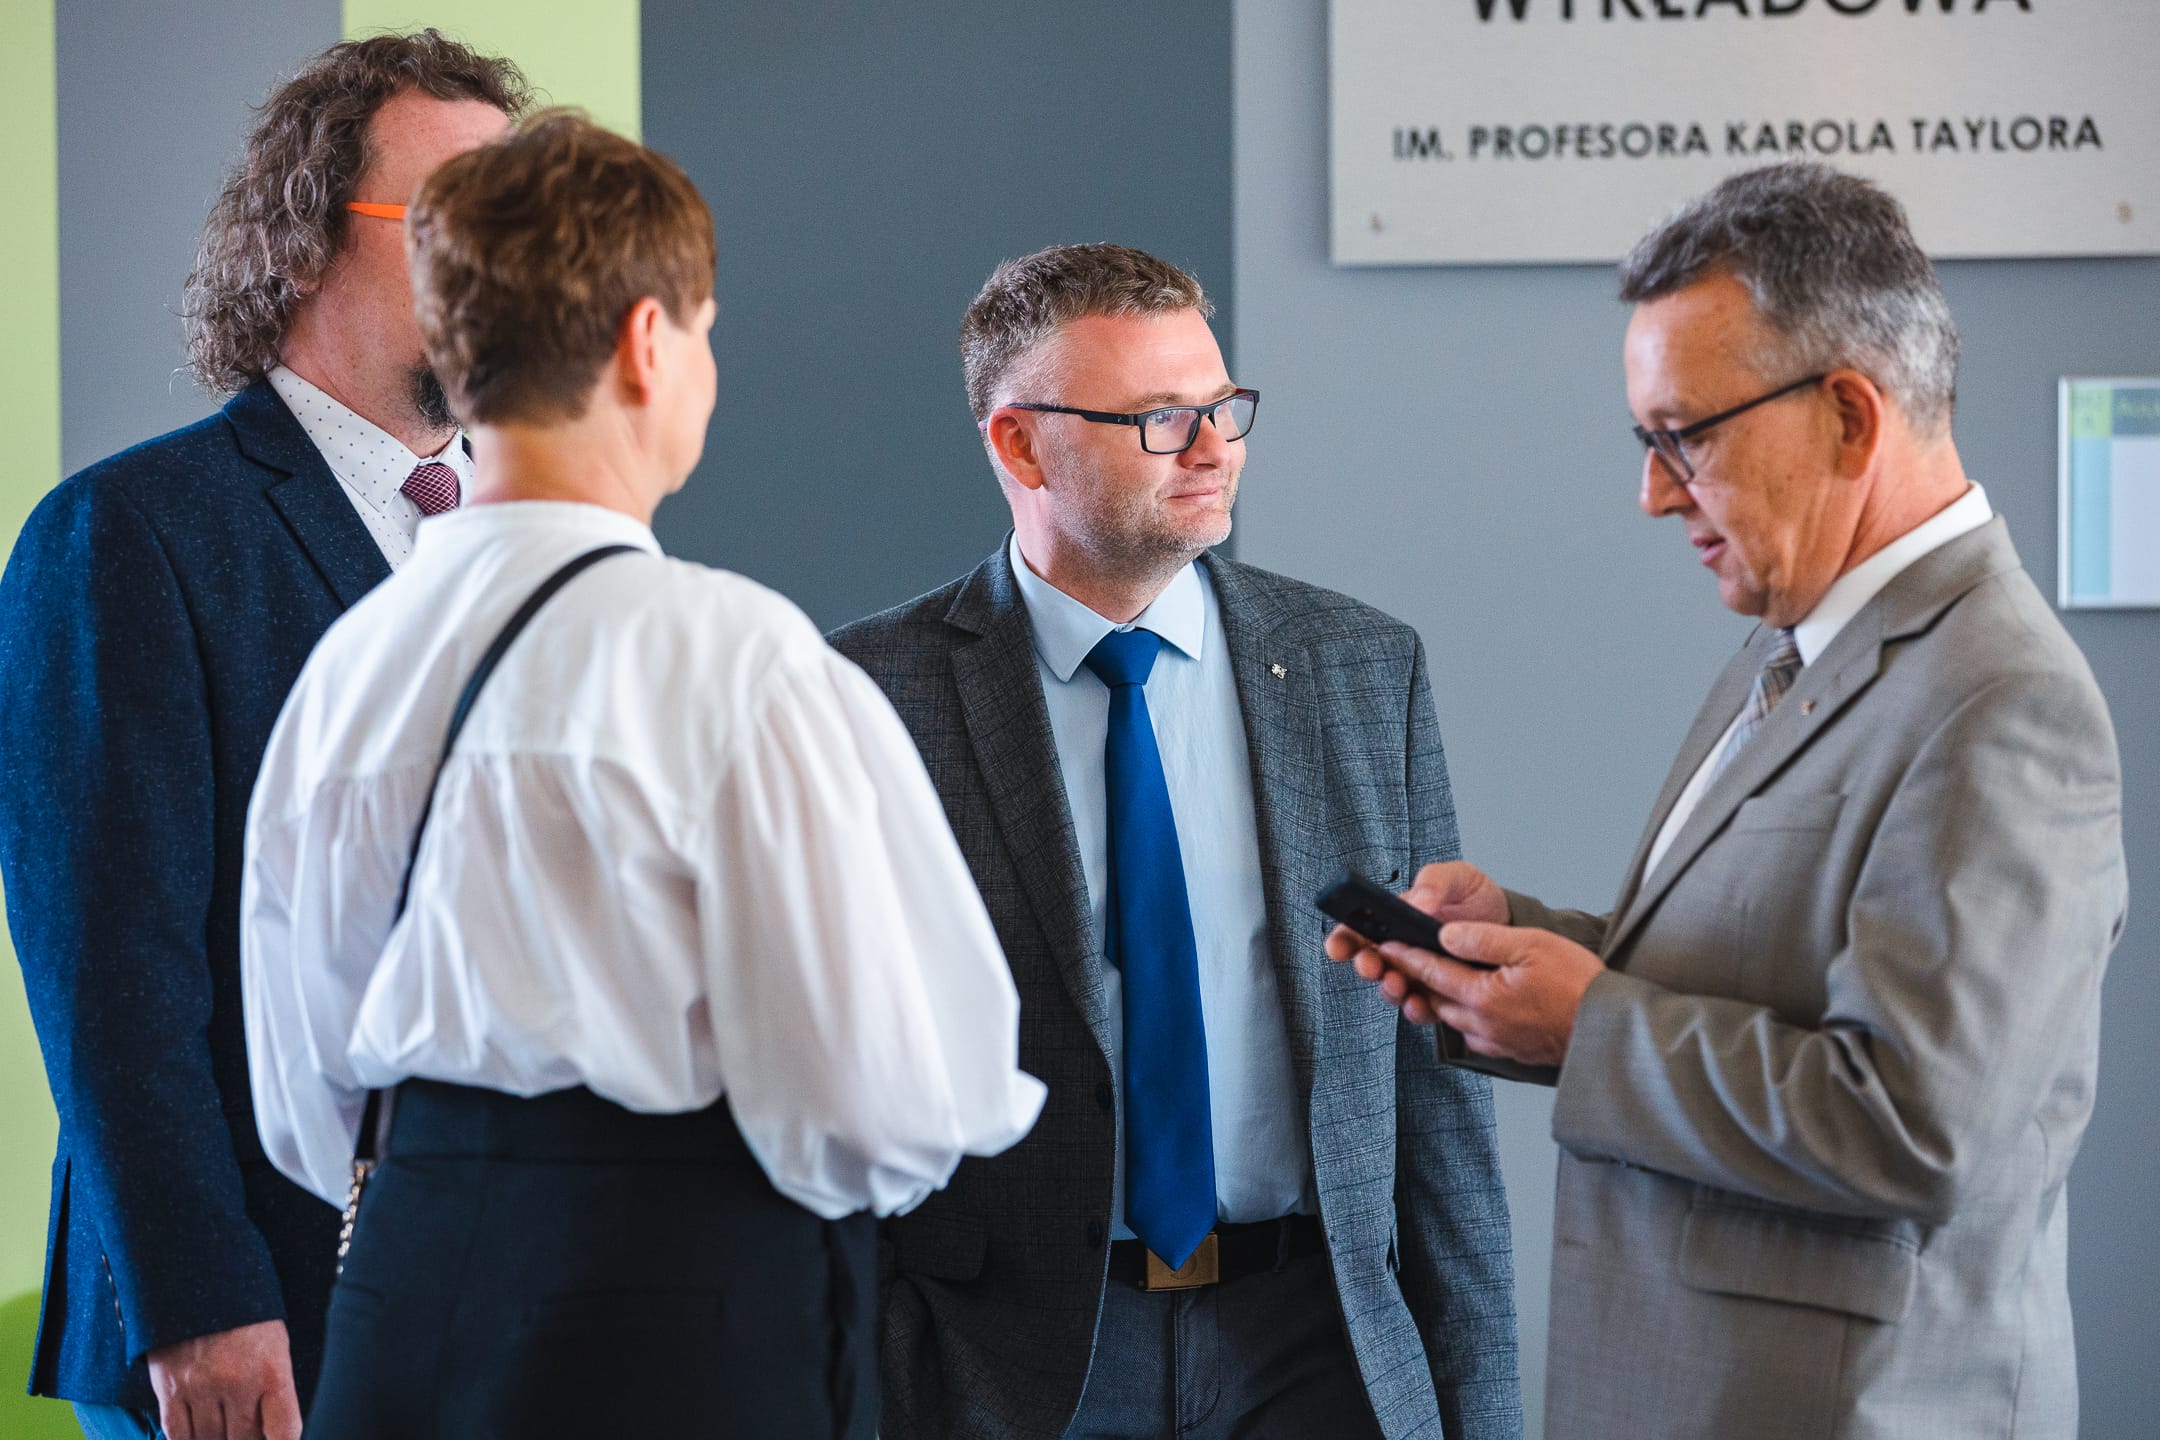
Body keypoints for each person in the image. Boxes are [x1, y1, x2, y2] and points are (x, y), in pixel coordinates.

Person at [237, 110, 1044, 1439]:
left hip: (406, 1313)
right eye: (707, 331)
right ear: (646, 340)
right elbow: (887, 1099)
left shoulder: (349, 671)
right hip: (687, 1322)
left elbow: (304, 1095)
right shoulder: (735, 657)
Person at [1332, 162, 2126, 1440]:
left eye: (1685, 437)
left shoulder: (2002, 700)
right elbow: (1759, 973)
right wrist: (1515, 949)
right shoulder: (1795, 639)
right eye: (1645, 442)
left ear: (1850, 417)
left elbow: (1916, 1130)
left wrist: (1585, 1029)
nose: (1654, 493)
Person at [829, 243, 1519, 1440]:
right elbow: (834, 1075)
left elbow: (1433, 1078)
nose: (1213, 449)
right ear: (1020, 446)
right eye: (1159, 418)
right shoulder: (868, 694)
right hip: (1011, 1365)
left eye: (1221, 406)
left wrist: (1483, 1412)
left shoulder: (1362, 669)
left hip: (1320, 1348)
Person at [0, 33, 526, 1440]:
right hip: (254, 1327)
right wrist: (200, 1300)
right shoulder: (128, 536)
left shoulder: (547, 544)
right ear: (301, 244)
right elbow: (113, 978)